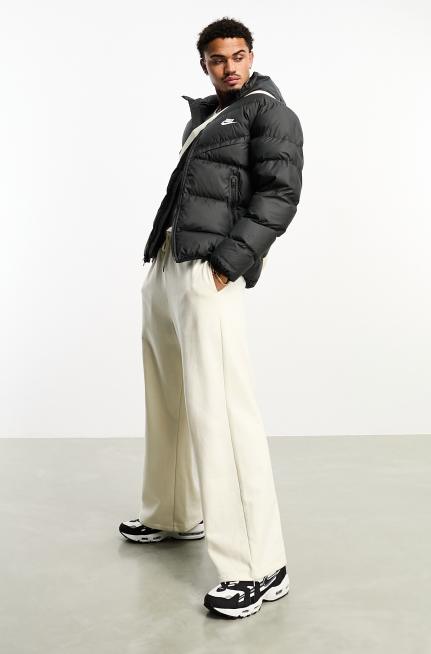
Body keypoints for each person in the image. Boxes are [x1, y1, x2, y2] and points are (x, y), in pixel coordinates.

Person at [119, 16, 304, 619]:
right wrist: (159, 260)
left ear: (252, 56)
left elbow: (279, 195)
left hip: (207, 273)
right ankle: (173, 513)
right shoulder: (206, 115)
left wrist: (228, 265)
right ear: (204, 63)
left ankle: (258, 565)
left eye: (238, 56)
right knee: (168, 396)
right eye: (218, 59)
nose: (229, 67)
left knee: (222, 410)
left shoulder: (268, 111)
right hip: (169, 265)